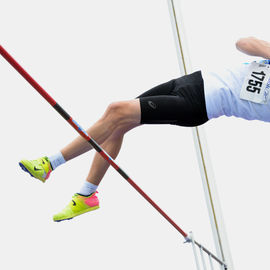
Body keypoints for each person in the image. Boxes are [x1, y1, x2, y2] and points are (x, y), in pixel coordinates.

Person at [19, 36, 270, 222]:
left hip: (198, 105)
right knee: (117, 123)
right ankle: (87, 195)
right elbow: (242, 42)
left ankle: (50, 163)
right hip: (193, 82)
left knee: (117, 111)